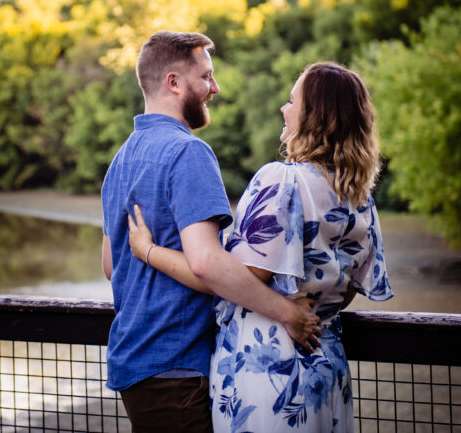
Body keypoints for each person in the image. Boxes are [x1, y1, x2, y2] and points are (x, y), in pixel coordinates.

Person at [127, 61, 394, 432]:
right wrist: (304, 302)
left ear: (316, 116)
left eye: (292, 101)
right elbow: (350, 290)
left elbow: (231, 276)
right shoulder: (360, 198)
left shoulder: (282, 180)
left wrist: (149, 252)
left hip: (269, 371)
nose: (284, 109)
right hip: (328, 369)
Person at [102, 31, 321, 432]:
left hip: (134, 366)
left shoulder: (122, 158)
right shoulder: (188, 152)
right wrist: (287, 312)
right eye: (206, 77)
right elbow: (206, 263)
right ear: (173, 82)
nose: (215, 88)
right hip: (177, 367)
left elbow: (109, 266)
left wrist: (149, 254)